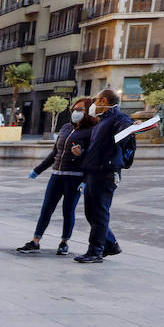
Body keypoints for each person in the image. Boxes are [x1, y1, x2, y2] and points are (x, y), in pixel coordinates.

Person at [16, 96, 95, 256]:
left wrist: (84, 170)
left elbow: (93, 156)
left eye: (81, 110)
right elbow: (55, 152)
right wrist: (37, 170)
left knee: (68, 210)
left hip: (75, 178)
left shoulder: (91, 131)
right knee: (46, 208)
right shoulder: (66, 127)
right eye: (74, 109)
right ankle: (35, 241)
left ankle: (64, 242)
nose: (76, 112)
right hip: (57, 175)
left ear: (88, 112)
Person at [74, 87, 136, 264]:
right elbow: (99, 148)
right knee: (91, 213)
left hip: (106, 172)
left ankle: (95, 251)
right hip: (94, 171)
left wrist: (131, 129)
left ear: (104, 102)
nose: (93, 104)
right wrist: (83, 152)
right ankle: (110, 245)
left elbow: (125, 134)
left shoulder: (119, 118)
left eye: (96, 100)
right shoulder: (102, 122)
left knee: (99, 213)